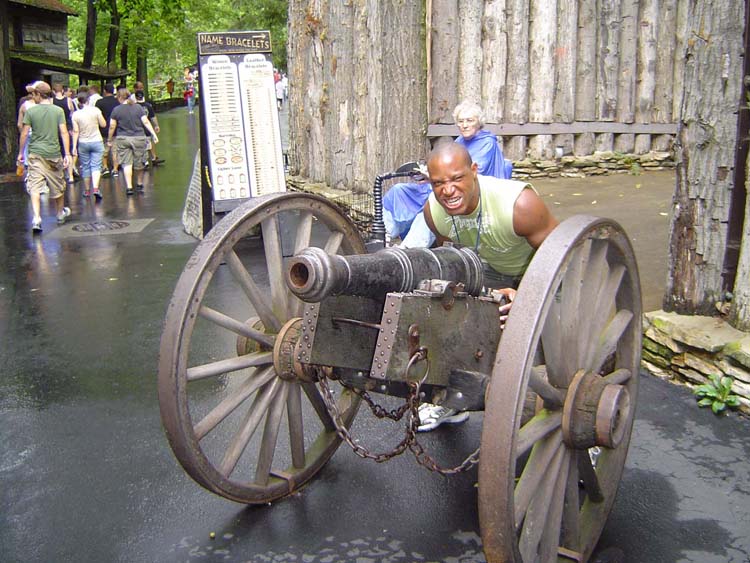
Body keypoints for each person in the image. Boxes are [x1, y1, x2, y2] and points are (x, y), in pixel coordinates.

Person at [415, 142, 558, 431]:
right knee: (447, 314)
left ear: (474, 171)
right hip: (490, 270)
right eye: (438, 183)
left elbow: (560, 257)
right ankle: (450, 400)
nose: (448, 190)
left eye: (456, 178)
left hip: (544, 270)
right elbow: (451, 258)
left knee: (549, 343)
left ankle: (570, 417)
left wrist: (528, 294)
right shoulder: (434, 213)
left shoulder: (520, 205)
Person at [384, 101, 512, 248]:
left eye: (470, 120)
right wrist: (427, 176)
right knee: (399, 190)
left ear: (479, 122)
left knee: (432, 205)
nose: (464, 125)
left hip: (470, 191)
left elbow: (470, 175)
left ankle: (409, 249)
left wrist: (433, 178)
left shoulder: (487, 143)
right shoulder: (459, 141)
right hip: (446, 183)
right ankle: (384, 235)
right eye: (460, 121)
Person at [16, 81, 72, 232]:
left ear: (39, 95)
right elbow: (64, 132)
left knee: (34, 186)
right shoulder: (58, 111)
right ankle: (60, 214)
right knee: (58, 185)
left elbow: (25, 133)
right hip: (53, 153)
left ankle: (36, 218)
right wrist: (67, 153)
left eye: (33, 93)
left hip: (35, 154)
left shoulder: (31, 112)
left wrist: (21, 153)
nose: (32, 96)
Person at [107, 87, 159, 195]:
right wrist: (153, 134)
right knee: (139, 162)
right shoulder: (138, 108)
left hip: (123, 138)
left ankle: (129, 187)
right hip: (139, 138)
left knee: (126, 163)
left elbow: (112, 126)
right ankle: (139, 183)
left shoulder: (116, 110)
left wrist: (109, 139)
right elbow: (145, 122)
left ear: (120, 97)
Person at [72, 91, 106, 199]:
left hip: (83, 142)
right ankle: (95, 188)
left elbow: (75, 131)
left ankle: (87, 190)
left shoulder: (76, 114)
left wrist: (73, 147)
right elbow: (103, 124)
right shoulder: (96, 111)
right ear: (88, 100)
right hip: (96, 140)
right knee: (96, 166)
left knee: (86, 167)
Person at [52, 82, 76, 183]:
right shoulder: (68, 100)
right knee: (68, 152)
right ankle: (70, 176)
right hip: (67, 127)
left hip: (55, 128)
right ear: (62, 90)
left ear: (53, 91)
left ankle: (60, 174)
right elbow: (72, 113)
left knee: (58, 152)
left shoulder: (51, 101)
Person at [134, 88, 163, 166]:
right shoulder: (148, 106)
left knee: (139, 144)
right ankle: (153, 157)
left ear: (135, 97)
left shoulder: (133, 107)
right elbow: (153, 117)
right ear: (143, 96)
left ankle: (143, 160)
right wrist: (156, 125)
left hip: (137, 128)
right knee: (150, 142)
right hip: (147, 127)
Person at [96, 83, 120, 177]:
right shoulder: (117, 102)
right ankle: (115, 169)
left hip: (103, 129)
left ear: (105, 91)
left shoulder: (99, 102)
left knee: (104, 150)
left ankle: (105, 167)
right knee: (115, 150)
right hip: (116, 129)